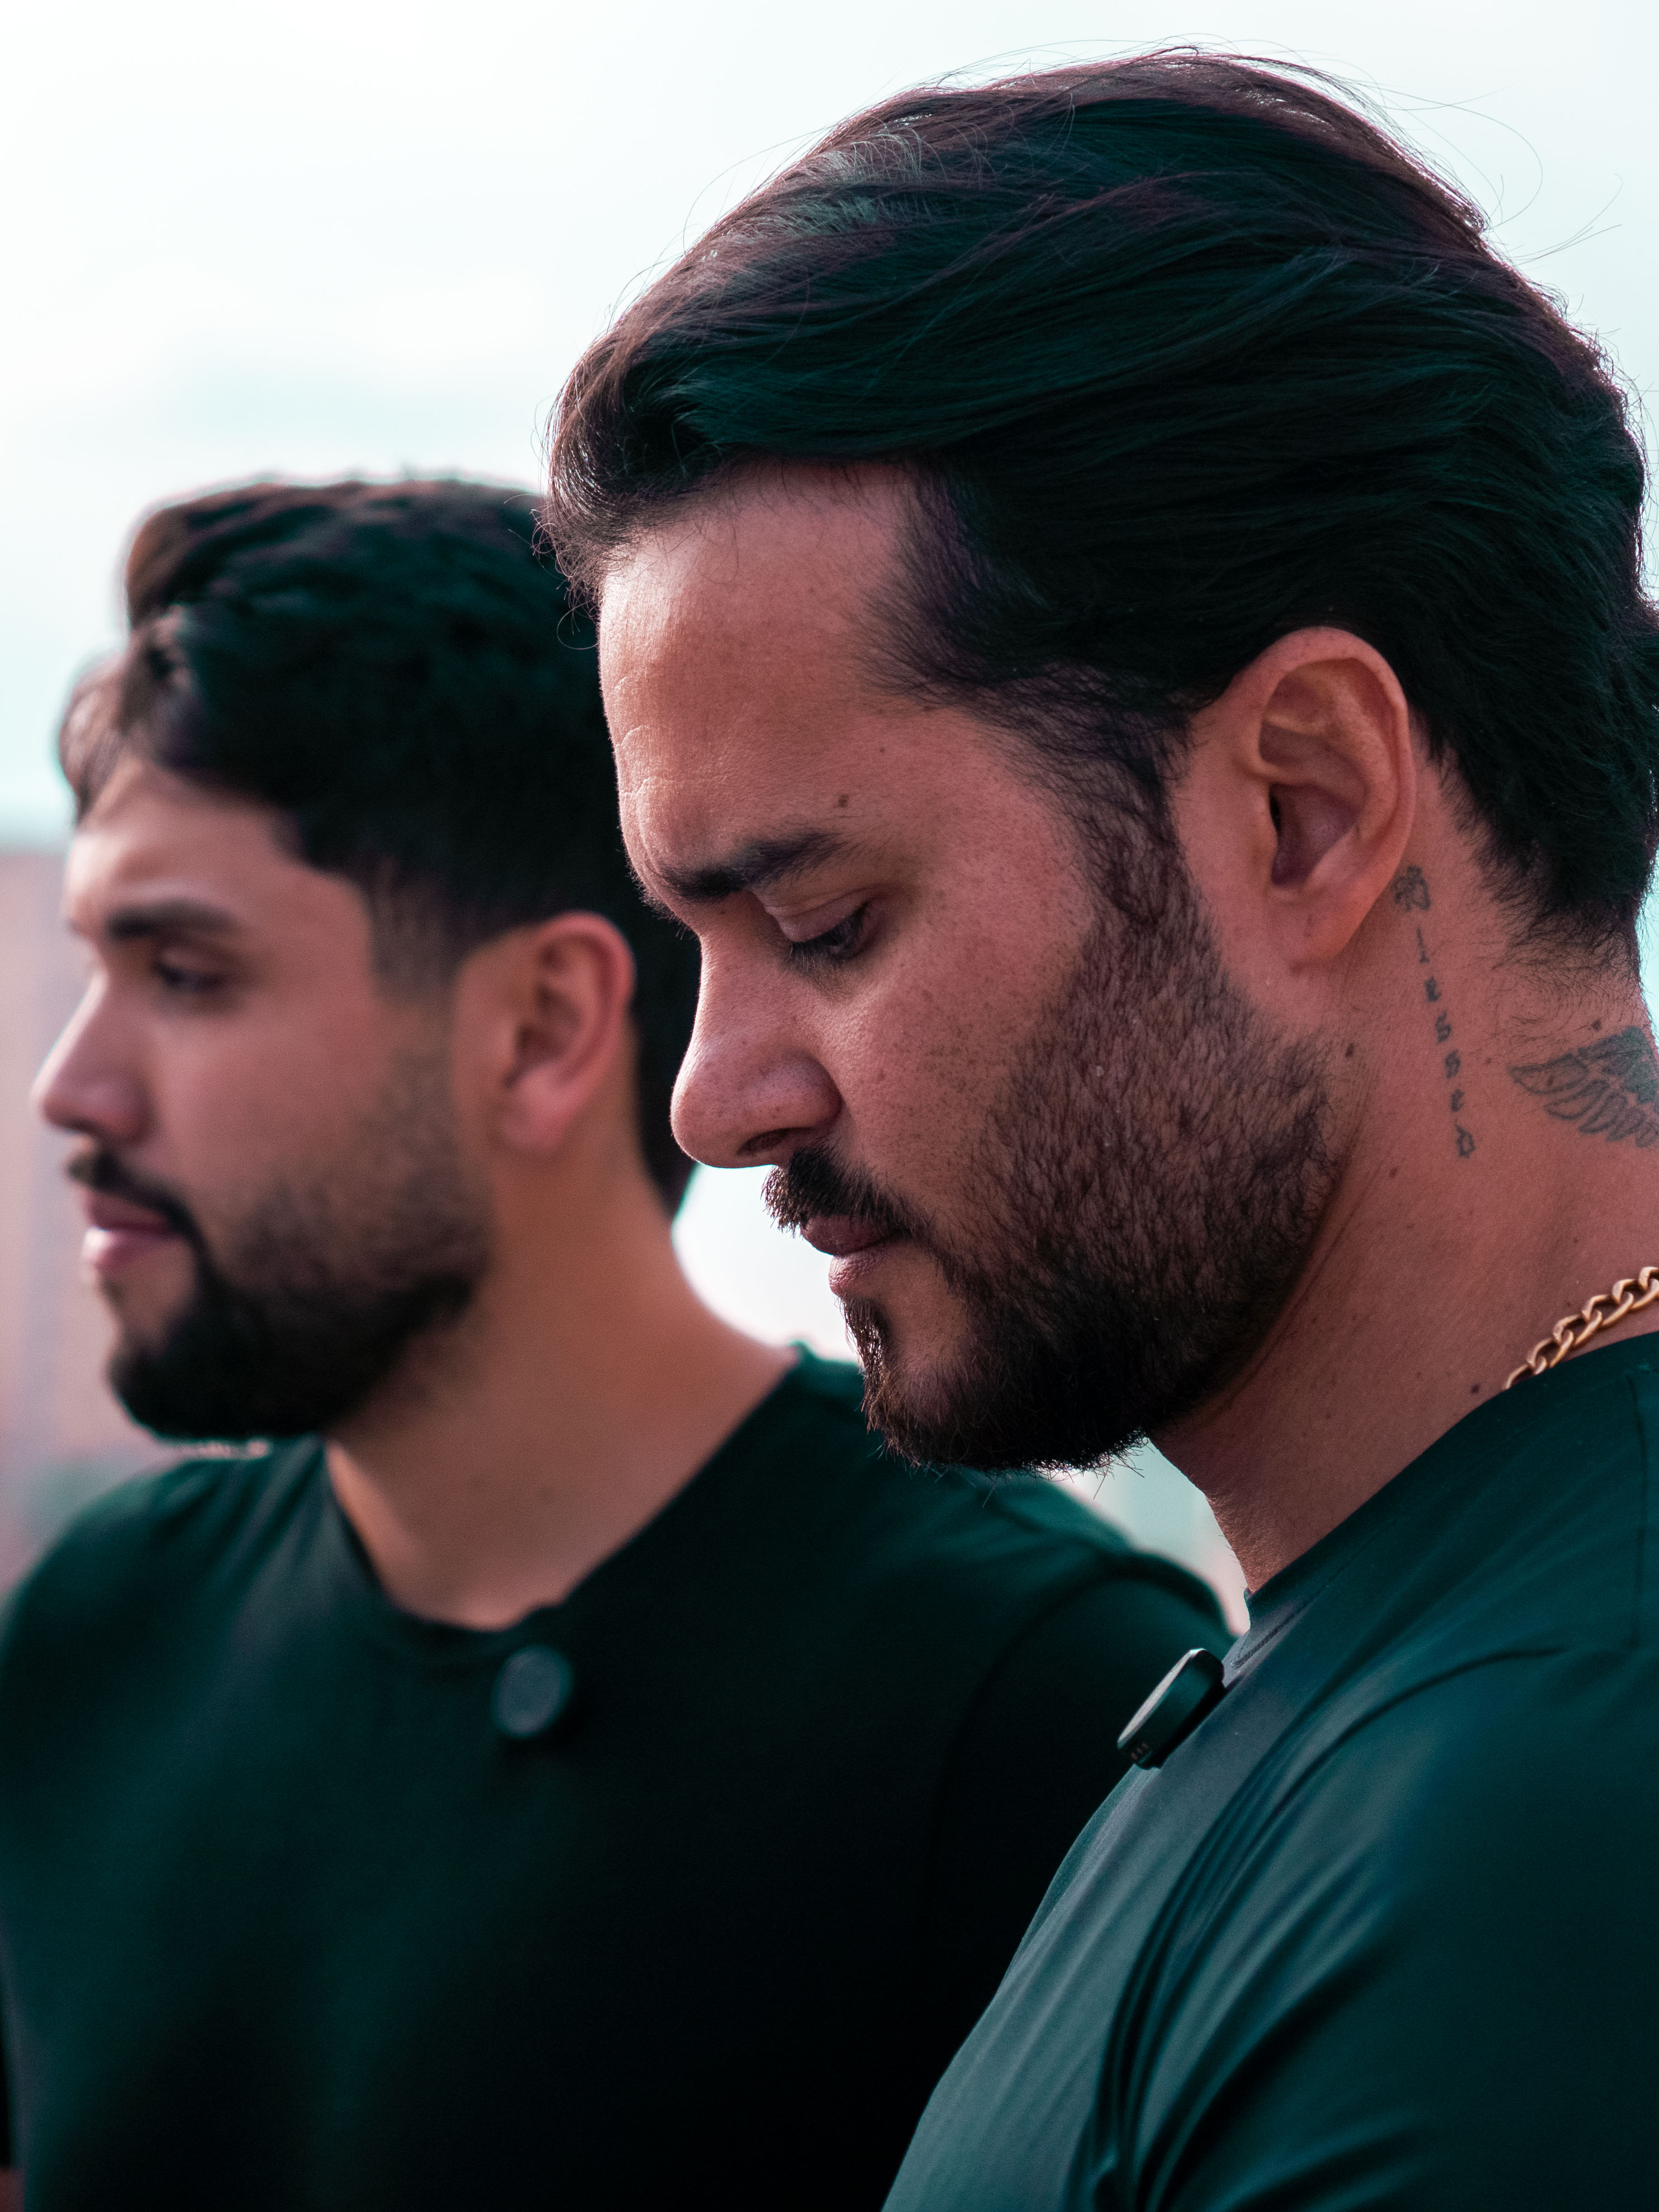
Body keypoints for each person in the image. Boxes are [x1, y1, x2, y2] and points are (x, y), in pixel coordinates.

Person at [543, 51, 1659, 2211]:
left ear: (1303, 807)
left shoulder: (1548, 1836)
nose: (714, 1097)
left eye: (823, 923)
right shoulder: (1421, 1660)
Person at [0, 479, 1228, 2211]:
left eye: (187, 973)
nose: (72, 1088)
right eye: (93, 970)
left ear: (539, 1028)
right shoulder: (93, 1636)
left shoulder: (1021, 1707)